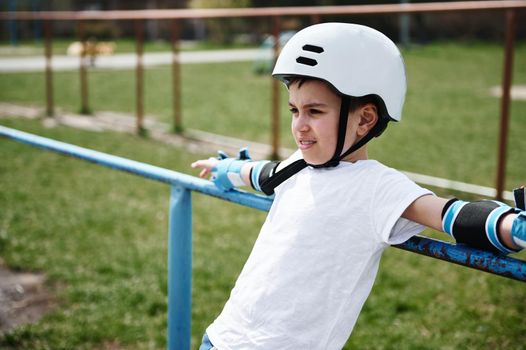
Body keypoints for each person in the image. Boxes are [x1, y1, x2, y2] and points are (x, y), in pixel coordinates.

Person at [191, 23, 526, 350]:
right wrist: (227, 169)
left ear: (365, 118)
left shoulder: (377, 187)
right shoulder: (298, 165)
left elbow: (450, 214)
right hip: (222, 336)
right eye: (295, 110)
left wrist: (514, 226)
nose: (299, 126)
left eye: (315, 111)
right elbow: (265, 174)